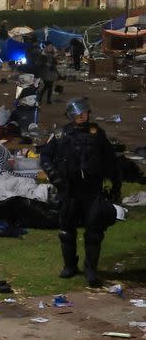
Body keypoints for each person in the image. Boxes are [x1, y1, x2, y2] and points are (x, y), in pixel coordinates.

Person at [40, 98, 121, 287]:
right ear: (71, 115)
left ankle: (90, 269)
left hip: (92, 190)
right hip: (68, 190)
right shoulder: (61, 134)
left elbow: (111, 160)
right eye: (78, 113)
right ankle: (70, 266)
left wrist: (116, 186)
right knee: (66, 230)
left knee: (94, 232)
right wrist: (54, 176)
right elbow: (45, 157)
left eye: (84, 113)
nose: (82, 116)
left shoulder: (97, 134)